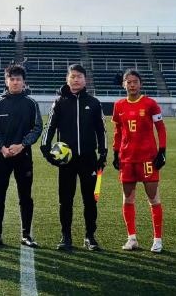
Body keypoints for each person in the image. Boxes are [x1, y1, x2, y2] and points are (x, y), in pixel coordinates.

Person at [41, 64, 107, 251]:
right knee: (65, 200)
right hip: (66, 160)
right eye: (72, 76)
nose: (76, 79)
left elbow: (101, 130)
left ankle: (90, 236)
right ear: (67, 79)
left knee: (90, 200)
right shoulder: (59, 102)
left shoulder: (94, 103)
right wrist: (46, 150)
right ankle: (66, 236)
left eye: (79, 76)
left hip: (88, 159)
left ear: (85, 80)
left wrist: (103, 153)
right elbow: (50, 127)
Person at [0, 64, 42, 248]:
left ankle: (26, 234)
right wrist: (2, 147)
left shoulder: (31, 104)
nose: (15, 82)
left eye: (18, 79)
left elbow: (37, 128)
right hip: (2, 156)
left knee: (25, 196)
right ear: (6, 81)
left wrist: (23, 145)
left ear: (24, 82)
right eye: (12, 79)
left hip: (23, 156)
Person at [112, 70, 167, 253]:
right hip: (127, 159)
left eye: (135, 81)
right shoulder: (119, 105)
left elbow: (160, 128)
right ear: (123, 84)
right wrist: (115, 153)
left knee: (153, 198)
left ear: (140, 84)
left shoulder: (150, 103)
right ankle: (132, 239)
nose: (132, 85)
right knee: (128, 199)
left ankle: (157, 240)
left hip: (148, 159)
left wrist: (162, 151)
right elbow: (118, 132)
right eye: (128, 82)